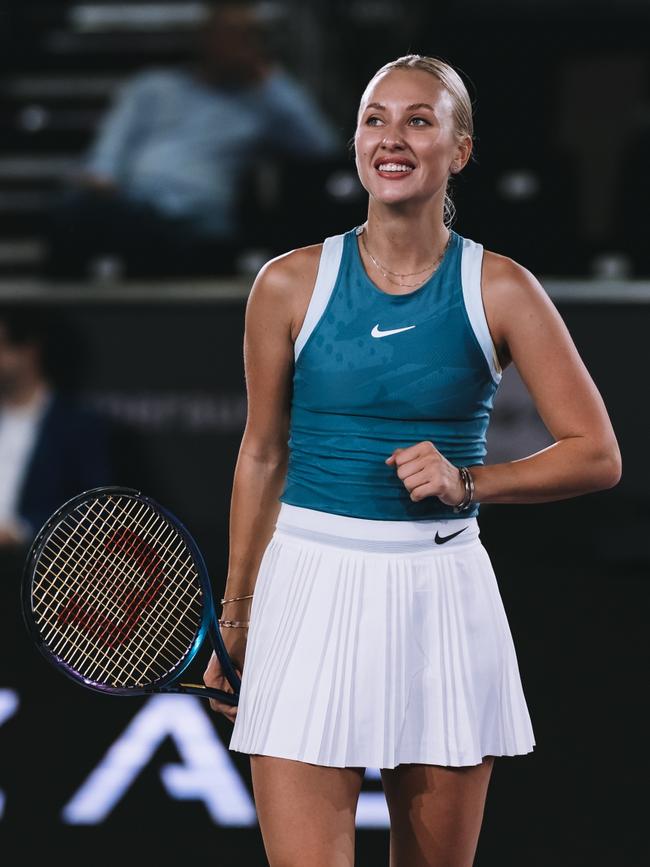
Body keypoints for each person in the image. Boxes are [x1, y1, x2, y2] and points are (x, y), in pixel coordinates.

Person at [203, 55, 622, 867]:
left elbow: (596, 453)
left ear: (459, 149)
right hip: (308, 585)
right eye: (374, 118)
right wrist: (238, 610)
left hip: (441, 592)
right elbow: (261, 453)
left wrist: (471, 482)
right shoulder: (287, 283)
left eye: (419, 120)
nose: (391, 138)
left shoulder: (501, 288)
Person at [44, 1, 341, 279]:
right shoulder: (154, 87)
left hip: (197, 224)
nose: (236, 44)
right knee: (73, 213)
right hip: (132, 205)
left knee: (158, 240)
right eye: (229, 33)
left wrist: (268, 79)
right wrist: (101, 178)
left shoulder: (260, 105)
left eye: (248, 36)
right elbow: (110, 148)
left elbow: (322, 147)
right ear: (206, 37)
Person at [0, 308, 112, 549]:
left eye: (2, 346)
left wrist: (20, 530)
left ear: (29, 351)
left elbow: (93, 509)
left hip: (34, 565)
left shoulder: (78, 426)